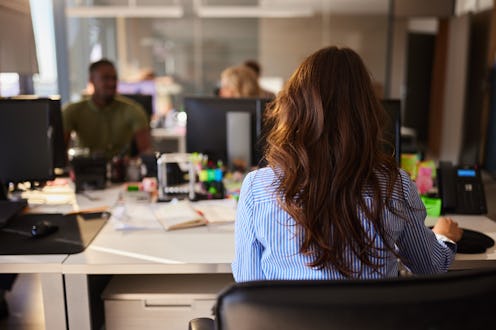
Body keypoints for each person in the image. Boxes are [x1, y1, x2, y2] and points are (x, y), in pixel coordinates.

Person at [232, 46, 462, 282]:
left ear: (294, 109)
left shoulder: (257, 187)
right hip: (373, 320)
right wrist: (444, 236)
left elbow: (247, 283)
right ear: (366, 112)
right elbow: (430, 267)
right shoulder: (396, 184)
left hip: (285, 320)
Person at [62, 59, 152, 160]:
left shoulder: (133, 110)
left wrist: (130, 163)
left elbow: (146, 152)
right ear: (91, 80)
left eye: (114, 78)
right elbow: (59, 153)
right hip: (84, 170)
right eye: (105, 78)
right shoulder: (72, 111)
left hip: (120, 171)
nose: (111, 83)